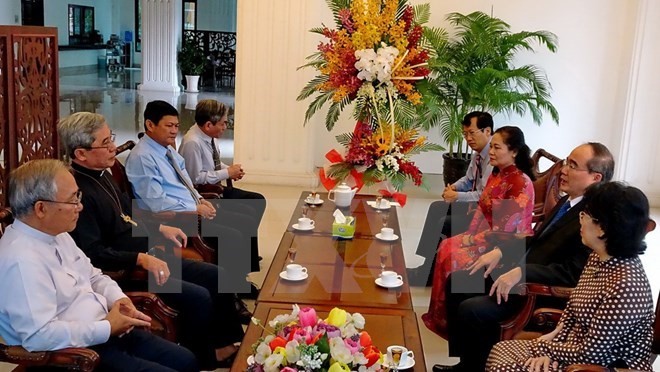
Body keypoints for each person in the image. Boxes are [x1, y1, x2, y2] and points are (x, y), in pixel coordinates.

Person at [57, 112, 246, 369]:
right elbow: (94, 253)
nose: (114, 146)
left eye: (110, 138)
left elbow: (129, 213)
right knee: (198, 295)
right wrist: (140, 258)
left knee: (217, 274)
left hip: (150, 254)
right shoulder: (79, 193)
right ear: (80, 154)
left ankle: (227, 342)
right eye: (105, 143)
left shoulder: (103, 174)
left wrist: (161, 226)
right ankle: (204, 357)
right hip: (130, 269)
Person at [0, 159, 197, 372]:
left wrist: (119, 299)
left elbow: (94, 276)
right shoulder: (21, 261)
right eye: (72, 200)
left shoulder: (58, 234)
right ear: (41, 208)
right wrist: (106, 327)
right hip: (76, 355)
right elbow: (39, 337)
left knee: (186, 359)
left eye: (78, 196)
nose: (80, 206)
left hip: (106, 329)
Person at [434, 142, 615, 372]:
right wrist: (501, 251)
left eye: (573, 165)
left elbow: (571, 273)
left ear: (595, 178)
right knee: (458, 282)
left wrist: (522, 271)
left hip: (537, 291)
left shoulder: (593, 219)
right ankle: (467, 363)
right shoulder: (567, 201)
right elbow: (537, 238)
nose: (563, 170)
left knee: (472, 309)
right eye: (567, 162)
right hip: (518, 273)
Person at [486, 182, 654, 371]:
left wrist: (547, 349)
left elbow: (592, 353)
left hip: (604, 366)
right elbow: (572, 307)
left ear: (602, 228)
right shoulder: (598, 257)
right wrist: (555, 340)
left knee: (504, 367)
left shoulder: (625, 286)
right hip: (574, 349)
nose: (580, 220)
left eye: (585, 215)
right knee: (500, 350)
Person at [125, 100, 256, 295]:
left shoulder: (166, 149)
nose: (173, 131)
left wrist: (200, 199)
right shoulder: (143, 157)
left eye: (176, 126)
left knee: (243, 219)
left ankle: (239, 281)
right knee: (233, 234)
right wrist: (195, 209)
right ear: (150, 125)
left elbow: (185, 181)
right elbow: (157, 203)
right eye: (168, 126)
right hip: (176, 219)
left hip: (191, 209)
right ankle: (233, 291)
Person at [422, 126, 536, 339]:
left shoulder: (518, 183)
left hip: (504, 247)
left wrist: (471, 239)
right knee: (446, 245)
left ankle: (455, 325)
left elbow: (505, 232)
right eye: (491, 146)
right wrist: (468, 235)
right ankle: (443, 319)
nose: (490, 152)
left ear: (514, 152)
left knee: (455, 255)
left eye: (497, 147)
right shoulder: (497, 173)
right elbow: (481, 210)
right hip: (486, 236)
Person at [408, 111, 494, 286]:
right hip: (474, 206)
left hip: (483, 215)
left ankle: (428, 274)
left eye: (472, 133)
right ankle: (427, 267)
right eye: (465, 134)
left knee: (444, 221)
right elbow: (469, 179)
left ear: (487, 131)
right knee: (436, 207)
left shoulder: (493, 156)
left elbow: (484, 195)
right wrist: (454, 186)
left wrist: (456, 197)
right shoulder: (478, 153)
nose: (468, 138)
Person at [179, 99, 265, 272]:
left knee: (257, 200)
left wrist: (230, 170)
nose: (226, 126)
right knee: (249, 208)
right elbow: (196, 178)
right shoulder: (192, 143)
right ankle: (242, 254)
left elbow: (212, 165)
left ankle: (247, 254)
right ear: (208, 124)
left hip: (214, 187)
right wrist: (227, 173)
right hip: (206, 193)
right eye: (223, 123)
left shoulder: (209, 136)